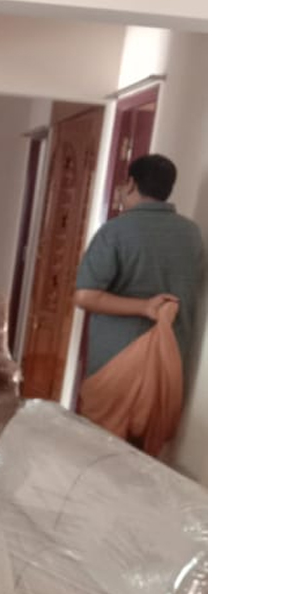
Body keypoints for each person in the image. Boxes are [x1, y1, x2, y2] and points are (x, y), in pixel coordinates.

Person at [73, 154, 204, 456]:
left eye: (123, 183)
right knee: (143, 458)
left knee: (99, 453)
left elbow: (85, 297)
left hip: (116, 362)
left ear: (131, 184)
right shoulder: (191, 234)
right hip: (171, 361)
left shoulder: (116, 231)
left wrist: (145, 307)